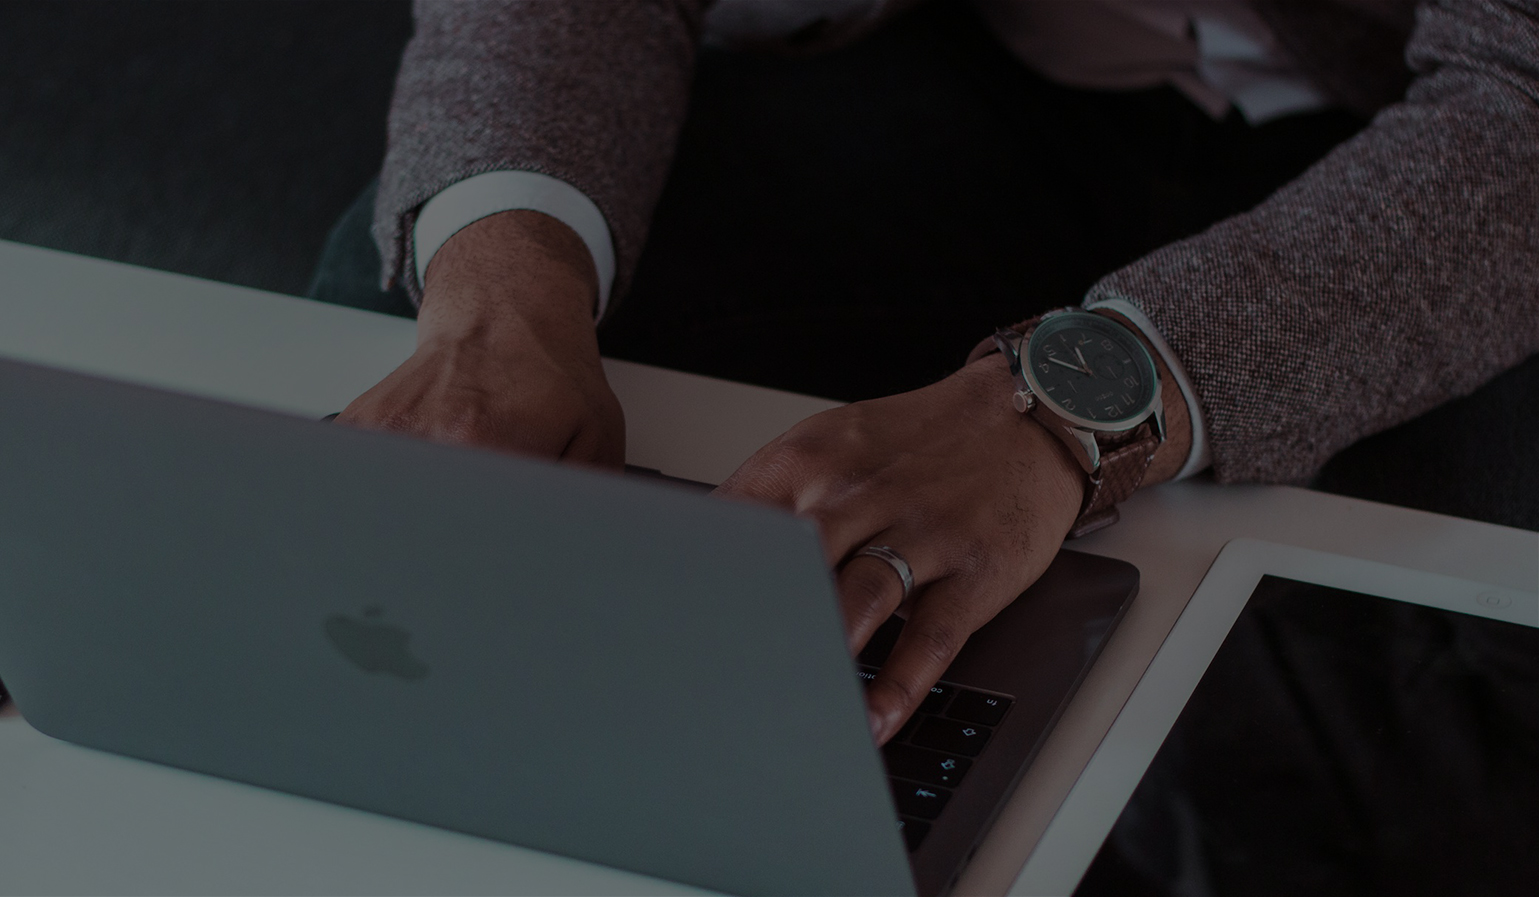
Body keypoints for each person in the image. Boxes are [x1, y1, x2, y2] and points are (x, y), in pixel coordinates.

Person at [307, 0, 1538, 745]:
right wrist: (503, 302)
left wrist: (1073, 411)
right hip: (961, 56)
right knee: (432, 302)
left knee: (1424, 692)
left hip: (1429, 134)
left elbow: (1521, 97)